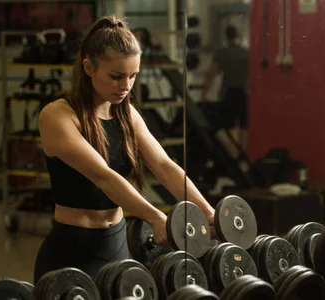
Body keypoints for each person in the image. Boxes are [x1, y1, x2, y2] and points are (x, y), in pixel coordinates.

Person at [34, 16, 216, 283]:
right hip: (71, 249)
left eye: (133, 76)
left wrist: (209, 214)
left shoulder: (126, 114)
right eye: (116, 76)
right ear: (88, 67)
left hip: (118, 246)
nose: (126, 86)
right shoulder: (57, 116)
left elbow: (164, 166)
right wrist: (156, 217)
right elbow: (103, 176)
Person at [201, 25, 249, 152]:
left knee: (230, 127)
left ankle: (233, 154)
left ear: (226, 36)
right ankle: (243, 155)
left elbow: (211, 73)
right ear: (237, 35)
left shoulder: (222, 53)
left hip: (228, 93)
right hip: (244, 92)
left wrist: (204, 94)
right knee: (244, 126)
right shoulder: (246, 53)